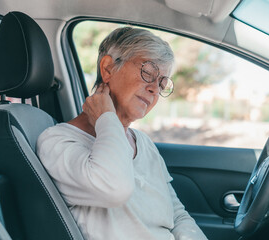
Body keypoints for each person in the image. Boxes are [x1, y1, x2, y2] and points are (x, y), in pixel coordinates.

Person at [37, 27, 208, 240]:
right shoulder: (57, 141)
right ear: (108, 68)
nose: (155, 89)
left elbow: (177, 214)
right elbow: (115, 188)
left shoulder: (144, 144)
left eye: (162, 83)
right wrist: (106, 118)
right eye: (148, 72)